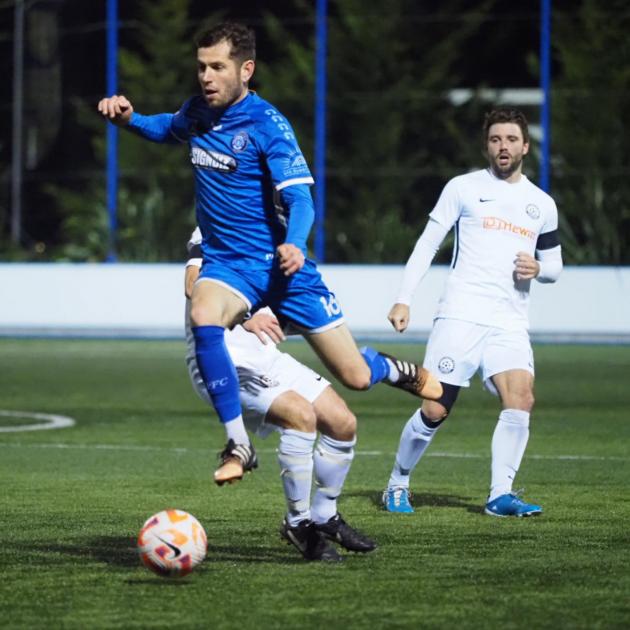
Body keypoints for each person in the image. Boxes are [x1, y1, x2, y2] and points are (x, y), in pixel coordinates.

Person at [98, 22, 442, 486]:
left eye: (218, 67)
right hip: (229, 267)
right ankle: (239, 441)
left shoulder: (268, 125)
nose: (206, 76)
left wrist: (295, 244)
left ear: (246, 69)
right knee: (203, 313)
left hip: (283, 269)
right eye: (201, 67)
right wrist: (130, 121)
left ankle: (390, 367)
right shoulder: (197, 112)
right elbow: (169, 128)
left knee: (355, 377)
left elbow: (302, 199)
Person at [382, 107, 563, 517]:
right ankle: (397, 481)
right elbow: (428, 243)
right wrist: (404, 297)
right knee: (435, 408)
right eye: (496, 139)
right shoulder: (462, 188)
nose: (504, 146)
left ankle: (501, 495)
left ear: (526, 146)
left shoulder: (541, 203)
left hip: (510, 321)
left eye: (512, 139)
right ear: (486, 146)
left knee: (521, 397)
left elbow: (554, 267)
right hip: (461, 315)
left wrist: (539, 268)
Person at [184, 230, 375, 561]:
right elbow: (192, 284)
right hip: (226, 361)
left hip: (267, 356)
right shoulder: (221, 221)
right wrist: (245, 315)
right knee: (300, 415)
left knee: (343, 422)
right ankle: (298, 524)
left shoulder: (286, 233)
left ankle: (324, 515)